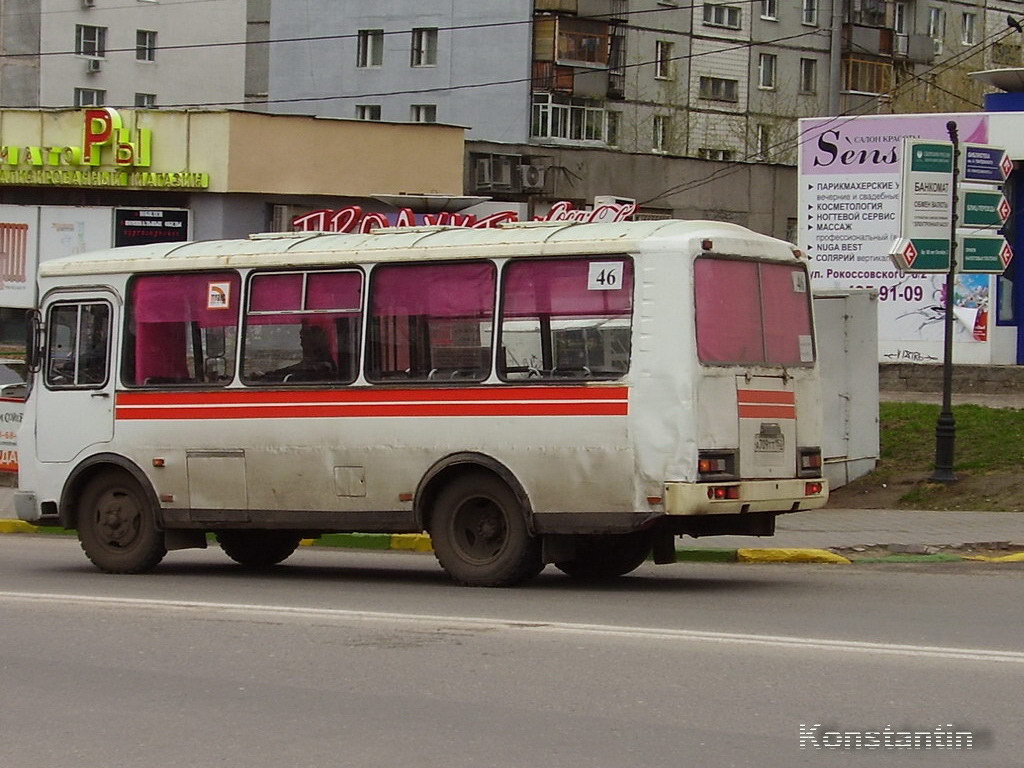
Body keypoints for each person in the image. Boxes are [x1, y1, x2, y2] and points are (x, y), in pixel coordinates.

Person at [259, 323, 336, 382]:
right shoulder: (313, 356)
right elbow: (298, 367)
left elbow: (303, 369)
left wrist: (272, 376)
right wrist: (270, 375)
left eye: (303, 339)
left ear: (313, 341)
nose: (301, 344)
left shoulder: (323, 360)